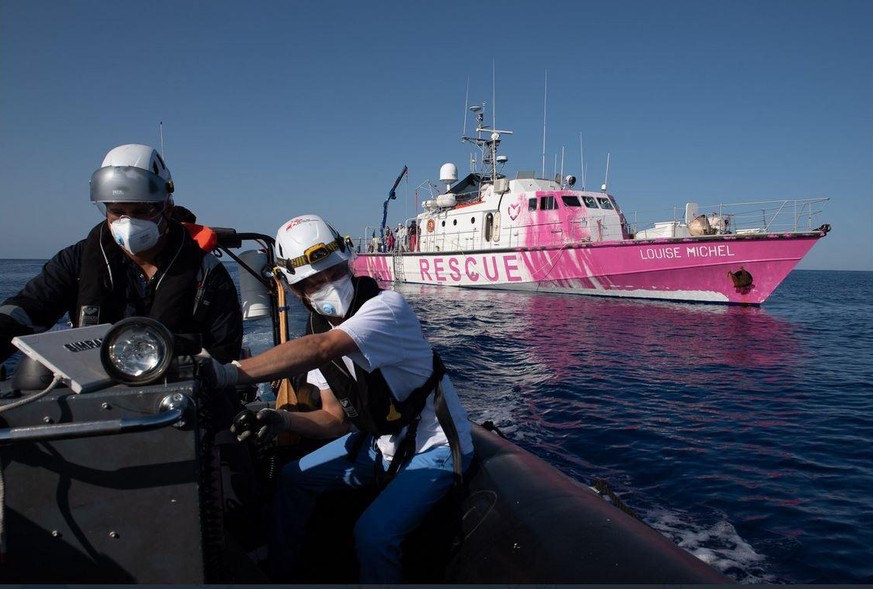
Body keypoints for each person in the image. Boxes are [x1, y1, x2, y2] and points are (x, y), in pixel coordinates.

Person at [200, 214, 474, 583]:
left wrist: (229, 372)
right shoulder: (319, 328)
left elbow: (321, 348)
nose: (329, 285)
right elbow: (334, 419)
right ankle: (282, 572)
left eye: (334, 273)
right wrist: (281, 420)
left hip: (434, 447)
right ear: (297, 292)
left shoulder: (385, 309)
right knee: (293, 479)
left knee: (373, 534)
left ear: (348, 265)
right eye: (314, 282)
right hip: (381, 443)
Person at [0, 144, 243, 366]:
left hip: (178, 387)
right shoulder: (77, 260)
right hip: (94, 390)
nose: (129, 221)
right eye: (118, 211)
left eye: (142, 210)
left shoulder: (206, 272)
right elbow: (29, 307)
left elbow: (223, 349)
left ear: (166, 208)